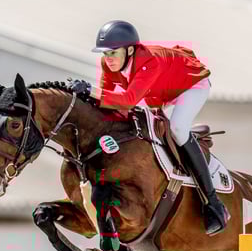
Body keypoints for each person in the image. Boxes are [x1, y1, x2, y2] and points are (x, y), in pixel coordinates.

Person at [67, 20, 230, 235]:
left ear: (130, 50)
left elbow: (128, 100)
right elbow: (107, 101)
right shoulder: (109, 64)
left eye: (113, 53)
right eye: (105, 53)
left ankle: (213, 202)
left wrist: (90, 90)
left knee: (178, 129)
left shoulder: (149, 62)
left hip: (190, 86)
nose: (109, 59)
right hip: (159, 91)